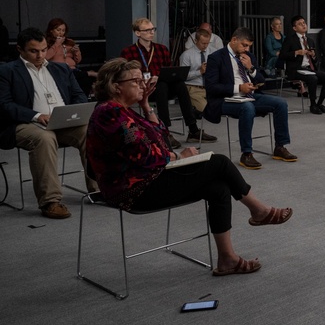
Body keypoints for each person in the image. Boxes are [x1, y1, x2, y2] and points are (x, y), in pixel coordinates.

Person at [86, 58, 293, 277]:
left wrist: (147, 106)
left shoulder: (126, 110)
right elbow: (144, 155)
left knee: (219, 187)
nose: (142, 84)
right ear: (116, 86)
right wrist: (177, 156)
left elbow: (162, 138)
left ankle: (227, 259)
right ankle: (258, 211)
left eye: (142, 79)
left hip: (150, 178)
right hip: (131, 190)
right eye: (136, 81)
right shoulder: (109, 112)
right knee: (220, 162)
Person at [0, 28, 100, 218]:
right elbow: (4, 105)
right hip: (25, 123)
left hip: (62, 121)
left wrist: (76, 111)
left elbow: (79, 95)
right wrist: (37, 116)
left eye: (44, 50)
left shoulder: (60, 68)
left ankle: (99, 189)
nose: (40, 55)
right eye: (34, 51)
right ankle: (50, 202)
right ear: (20, 50)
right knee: (44, 138)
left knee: (91, 131)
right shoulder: (6, 71)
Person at [205, 27, 298, 170]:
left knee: (280, 103)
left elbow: (261, 81)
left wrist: (251, 69)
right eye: (244, 45)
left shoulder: (248, 56)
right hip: (226, 100)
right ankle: (246, 153)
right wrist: (239, 88)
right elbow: (211, 87)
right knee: (247, 108)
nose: (247, 48)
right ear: (234, 40)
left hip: (250, 96)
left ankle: (280, 147)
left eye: (249, 46)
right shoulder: (216, 57)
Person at [120, 18, 216, 147]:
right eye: (147, 30)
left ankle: (193, 129)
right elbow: (126, 76)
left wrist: (160, 77)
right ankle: (165, 132)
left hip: (162, 87)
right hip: (144, 89)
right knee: (161, 85)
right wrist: (147, 78)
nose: (151, 32)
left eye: (153, 29)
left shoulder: (161, 49)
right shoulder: (128, 52)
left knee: (179, 84)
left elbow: (170, 72)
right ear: (138, 33)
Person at [279, 15, 325, 114]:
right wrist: (296, 53)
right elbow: (282, 55)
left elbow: (316, 59)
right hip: (295, 69)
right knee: (313, 78)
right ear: (294, 28)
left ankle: (319, 103)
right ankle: (313, 105)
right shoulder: (290, 39)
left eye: (304, 23)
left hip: (309, 69)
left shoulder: (310, 40)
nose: (303, 25)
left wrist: (313, 56)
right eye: (300, 24)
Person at [44, 17, 96, 96]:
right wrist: (57, 44)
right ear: (51, 30)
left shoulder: (69, 42)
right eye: (58, 30)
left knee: (85, 80)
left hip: (72, 69)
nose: (61, 33)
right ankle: (89, 73)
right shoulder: (46, 43)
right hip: (58, 70)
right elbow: (46, 57)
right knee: (80, 77)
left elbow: (77, 61)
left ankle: (83, 100)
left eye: (63, 30)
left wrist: (77, 51)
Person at [179, 27, 212, 114]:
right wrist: (199, 72)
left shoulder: (213, 53)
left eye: (207, 43)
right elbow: (182, 77)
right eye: (203, 43)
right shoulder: (186, 55)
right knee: (207, 111)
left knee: (221, 108)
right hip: (194, 88)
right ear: (195, 40)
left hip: (210, 88)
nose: (205, 46)